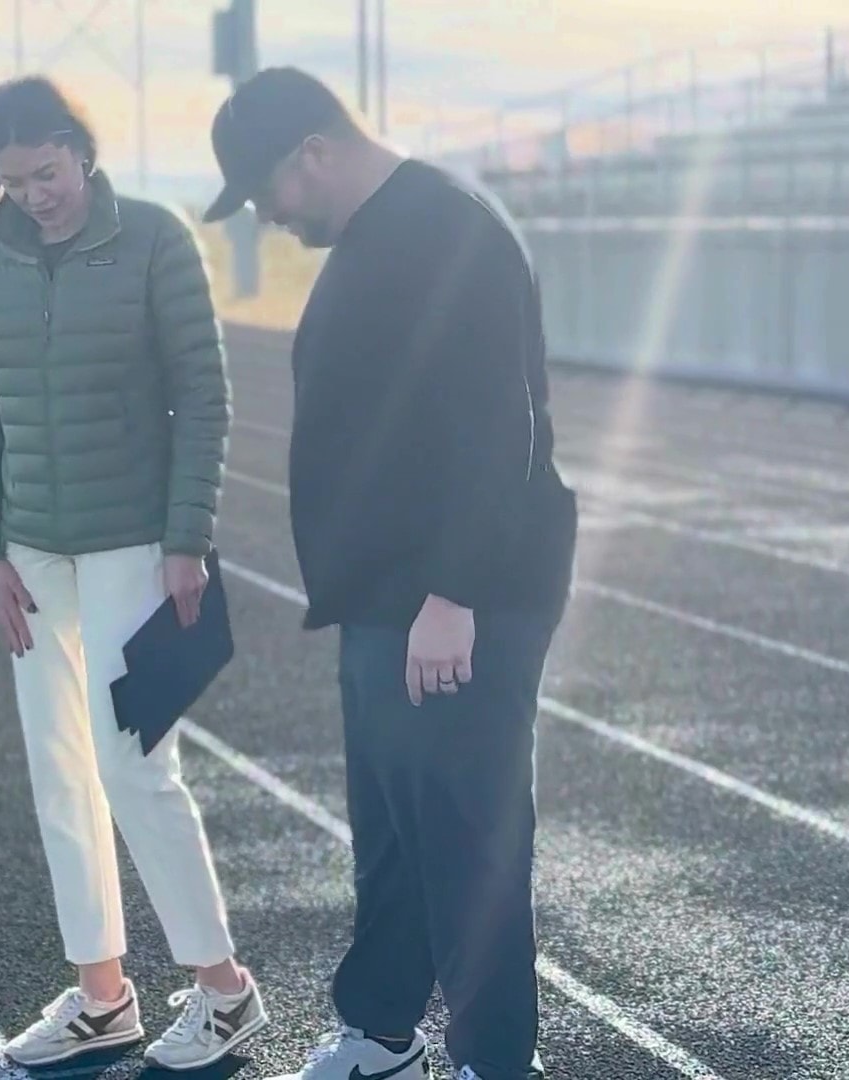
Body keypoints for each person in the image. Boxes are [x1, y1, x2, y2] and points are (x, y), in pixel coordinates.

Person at [201, 68, 579, 1080]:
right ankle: (381, 1030)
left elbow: (497, 428)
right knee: (394, 829)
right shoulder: (381, 232)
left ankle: (496, 1061)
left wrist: (452, 596)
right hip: (388, 596)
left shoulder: (446, 229)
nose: (266, 217)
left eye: (264, 192)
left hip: (456, 599)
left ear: (312, 156)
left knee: (469, 836)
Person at [0, 75, 268, 1071]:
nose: (35, 195)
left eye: (46, 172)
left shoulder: (156, 240)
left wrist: (187, 538)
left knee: (137, 768)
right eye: (13, 180)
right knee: (60, 777)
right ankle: (103, 999)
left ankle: (225, 993)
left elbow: (204, 396)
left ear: (80, 151)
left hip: (136, 540)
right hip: (34, 553)